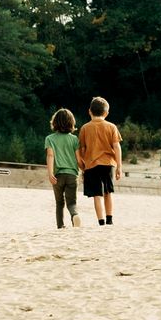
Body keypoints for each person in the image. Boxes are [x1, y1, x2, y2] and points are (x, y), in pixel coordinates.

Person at [77, 96, 122, 225]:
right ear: (106, 113)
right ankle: (110, 219)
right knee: (108, 192)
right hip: (108, 164)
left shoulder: (85, 128)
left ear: (89, 111)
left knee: (97, 194)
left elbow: (82, 149)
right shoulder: (112, 127)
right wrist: (119, 166)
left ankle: (101, 221)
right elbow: (117, 147)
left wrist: (83, 166)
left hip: (91, 165)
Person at [44, 108, 81, 229]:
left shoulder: (50, 138)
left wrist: (50, 174)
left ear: (54, 122)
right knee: (72, 202)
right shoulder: (75, 139)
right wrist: (84, 169)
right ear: (71, 122)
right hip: (72, 175)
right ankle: (75, 215)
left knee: (59, 203)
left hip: (58, 176)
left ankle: (60, 226)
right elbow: (78, 159)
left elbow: (50, 156)